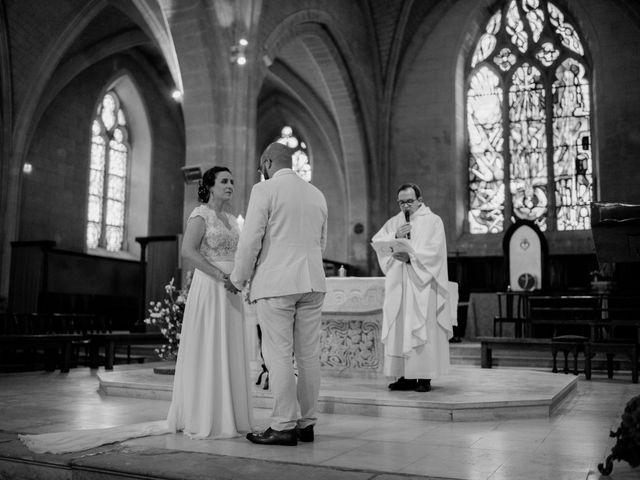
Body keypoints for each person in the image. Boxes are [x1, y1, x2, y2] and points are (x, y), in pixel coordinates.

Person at [19, 166, 253, 454]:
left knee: (229, 349)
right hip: (212, 289)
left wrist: (240, 277)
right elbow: (189, 252)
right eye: (224, 181)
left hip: (232, 292)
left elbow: (241, 253)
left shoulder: (233, 220)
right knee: (210, 349)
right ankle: (208, 415)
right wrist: (221, 276)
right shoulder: (200, 215)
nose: (230, 185)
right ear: (210, 186)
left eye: (232, 181)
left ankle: (232, 413)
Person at [225, 141, 328, 447]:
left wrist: (238, 278)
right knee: (309, 356)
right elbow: (321, 243)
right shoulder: (316, 193)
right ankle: (307, 423)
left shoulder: (264, 190)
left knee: (278, 355)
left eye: (262, 166)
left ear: (268, 162)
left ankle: (284, 425)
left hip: (277, 283)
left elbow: (250, 241)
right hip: (312, 282)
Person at [372, 183, 457, 393]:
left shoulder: (433, 221)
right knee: (401, 328)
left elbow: (435, 253)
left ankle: (423, 376)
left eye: (409, 201)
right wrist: (395, 238)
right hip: (399, 286)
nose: (405, 206)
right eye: (401, 202)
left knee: (421, 328)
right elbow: (378, 242)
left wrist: (411, 259)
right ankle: (405, 376)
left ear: (419, 199)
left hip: (422, 285)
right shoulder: (395, 222)